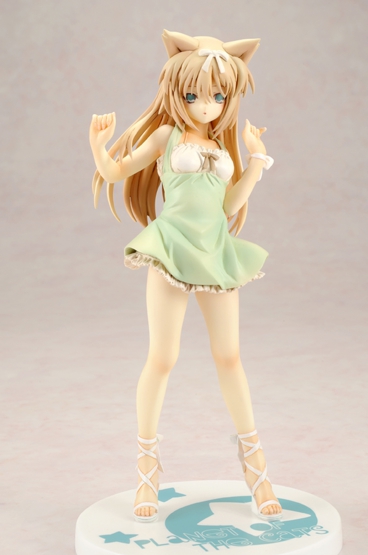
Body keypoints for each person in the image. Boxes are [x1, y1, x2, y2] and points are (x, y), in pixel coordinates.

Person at [89, 30, 282, 523]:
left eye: (218, 96)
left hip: (214, 252)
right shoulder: (167, 137)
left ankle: (256, 467)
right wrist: (98, 146)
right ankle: (147, 467)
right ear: (177, 91)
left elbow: (229, 206)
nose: (207, 106)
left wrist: (256, 161)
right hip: (172, 249)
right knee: (163, 356)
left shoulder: (220, 147)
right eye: (195, 95)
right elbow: (116, 172)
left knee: (229, 355)